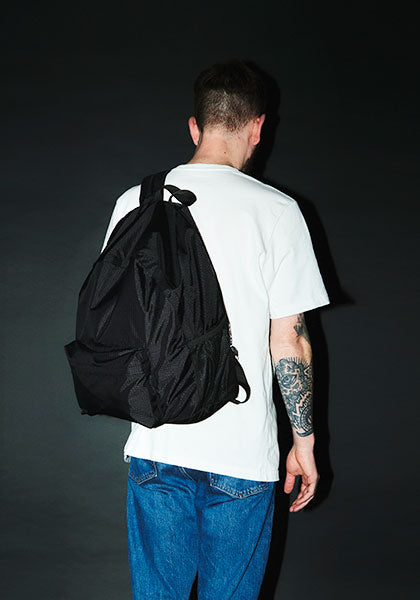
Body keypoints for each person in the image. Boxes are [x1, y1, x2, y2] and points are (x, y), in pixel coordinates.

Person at [100, 59, 330, 600]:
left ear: (194, 127)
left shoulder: (135, 201)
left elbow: (114, 320)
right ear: (257, 127)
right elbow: (290, 340)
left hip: (157, 444)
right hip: (242, 455)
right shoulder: (278, 212)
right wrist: (304, 442)